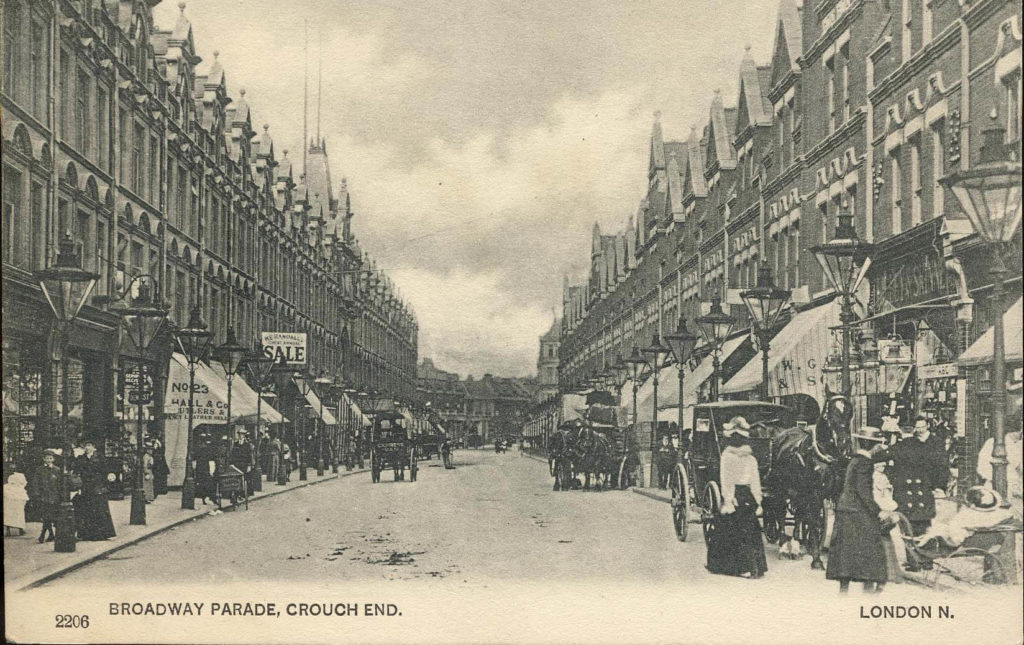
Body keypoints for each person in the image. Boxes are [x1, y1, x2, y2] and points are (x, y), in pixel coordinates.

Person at [827, 427, 889, 593]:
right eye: (876, 444)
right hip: (857, 512)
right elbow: (863, 491)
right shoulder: (864, 463)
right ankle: (871, 585)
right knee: (872, 546)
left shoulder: (854, 460)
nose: (878, 448)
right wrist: (878, 511)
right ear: (870, 444)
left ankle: (844, 588)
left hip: (846, 510)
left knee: (846, 551)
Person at [706, 417, 766, 579]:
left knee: (730, 530)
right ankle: (756, 567)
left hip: (736, 496)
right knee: (751, 531)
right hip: (749, 496)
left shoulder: (727, 456)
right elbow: (755, 481)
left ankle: (736, 566)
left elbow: (727, 480)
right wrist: (758, 500)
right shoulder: (751, 458)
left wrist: (728, 500)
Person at [888, 416, 950, 542]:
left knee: (910, 528)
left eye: (922, 426)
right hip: (923, 489)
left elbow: (942, 466)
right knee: (922, 527)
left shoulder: (934, 442)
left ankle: (915, 554)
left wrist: (939, 486)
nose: (920, 429)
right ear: (914, 429)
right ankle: (922, 554)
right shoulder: (920, 445)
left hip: (915, 490)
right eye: (918, 427)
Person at [870, 444, 904, 583]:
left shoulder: (882, 476)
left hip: (884, 504)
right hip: (880, 505)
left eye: (883, 467)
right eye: (880, 467)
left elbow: (886, 492)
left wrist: (888, 489)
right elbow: (876, 493)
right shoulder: (874, 477)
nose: (882, 469)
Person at [72, 441, 116, 541]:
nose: (87, 448)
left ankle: (100, 534)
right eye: (85, 446)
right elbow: (76, 471)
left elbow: (106, 471)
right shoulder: (81, 458)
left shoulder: (100, 458)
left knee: (99, 510)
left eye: (89, 445)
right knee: (86, 510)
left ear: (93, 447)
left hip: (98, 486)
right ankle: (87, 534)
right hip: (85, 487)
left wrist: (105, 482)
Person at [27, 451, 62, 543]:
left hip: (54, 497)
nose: (49, 460)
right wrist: (37, 494)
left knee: (50, 516)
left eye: (50, 458)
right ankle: (49, 534)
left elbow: (60, 484)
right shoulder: (39, 470)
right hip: (44, 497)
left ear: (53, 459)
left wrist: (59, 495)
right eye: (47, 458)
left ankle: (45, 534)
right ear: (44, 459)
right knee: (46, 515)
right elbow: (35, 483)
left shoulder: (57, 470)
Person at [4, 472, 29, 537]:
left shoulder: (18, 489)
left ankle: (17, 528)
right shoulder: (7, 488)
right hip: (11, 505)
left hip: (15, 506)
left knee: (16, 514)